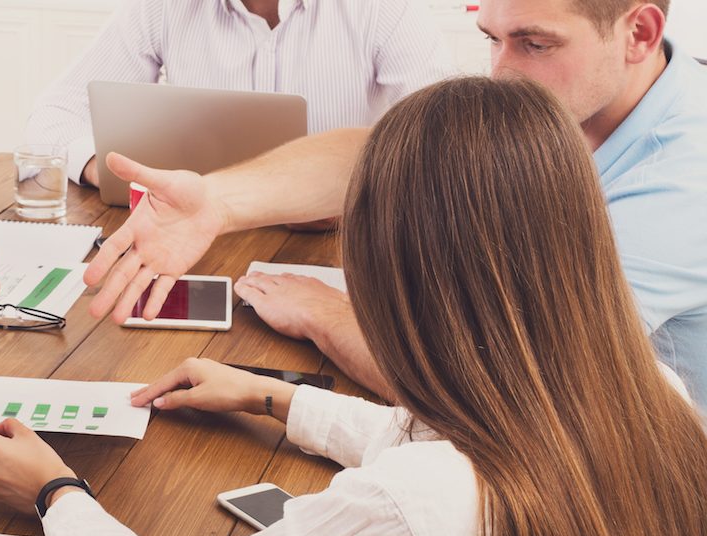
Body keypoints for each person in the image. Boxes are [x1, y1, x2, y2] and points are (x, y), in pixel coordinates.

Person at [0, 77, 707, 536]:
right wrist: (276, 399)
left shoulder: (412, 512)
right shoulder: (659, 398)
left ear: (397, 275)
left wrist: (55, 493)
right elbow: (473, 449)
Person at [84, 0, 707, 406]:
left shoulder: (685, 178)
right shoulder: (573, 105)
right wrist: (216, 202)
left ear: (639, 32)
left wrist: (328, 316)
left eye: (534, 45)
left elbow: (510, 392)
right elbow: (393, 155)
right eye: (492, 39)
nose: (501, 73)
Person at [23, 0, 453, 189]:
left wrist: (348, 193)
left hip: (337, 248)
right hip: (194, 233)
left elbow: (443, 147)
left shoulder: (387, 7)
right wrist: (117, 174)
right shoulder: (161, 6)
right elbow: (53, 118)